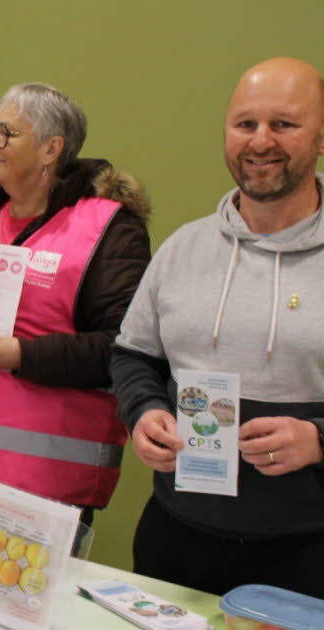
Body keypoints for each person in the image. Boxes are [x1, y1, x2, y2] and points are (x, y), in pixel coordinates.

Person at [112, 57, 324, 597]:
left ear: (321, 136)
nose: (260, 141)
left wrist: (319, 437)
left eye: (284, 124)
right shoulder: (184, 248)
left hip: (307, 551)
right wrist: (145, 411)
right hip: (175, 537)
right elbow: (134, 355)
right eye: (245, 123)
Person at [0, 83, 152, 526]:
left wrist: (26, 355)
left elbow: (125, 350)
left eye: (5, 134)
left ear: (52, 148)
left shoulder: (108, 229)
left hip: (49, 490)